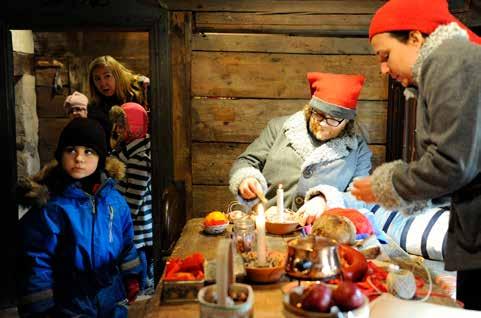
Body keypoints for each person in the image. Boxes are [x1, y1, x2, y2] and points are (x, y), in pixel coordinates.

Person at [350, 0, 481, 310]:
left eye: (385, 56)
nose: (383, 69)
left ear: (415, 38)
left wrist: (387, 185)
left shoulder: (451, 59)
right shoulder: (449, 62)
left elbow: (452, 163)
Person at [17, 118, 142, 317]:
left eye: (89, 151)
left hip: (110, 296)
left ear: (101, 157)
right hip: (68, 302)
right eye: (71, 150)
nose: (79, 158)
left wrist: (131, 276)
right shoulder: (51, 208)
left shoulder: (114, 202)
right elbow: (36, 259)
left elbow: (126, 242)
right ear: (60, 155)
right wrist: (40, 306)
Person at [229, 72, 372, 212]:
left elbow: (361, 198)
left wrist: (326, 199)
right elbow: (246, 161)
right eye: (319, 114)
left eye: (333, 119)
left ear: (347, 122)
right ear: (310, 109)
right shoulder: (279, 128)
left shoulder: (358, 150)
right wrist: (245, 178)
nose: (323, 124)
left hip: (320, 230)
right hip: (268, 223)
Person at [109, 102, 153, 294]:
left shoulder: (139, 157)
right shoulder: (126, 150)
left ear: (134, 127)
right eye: (116, 125)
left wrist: (118, 217)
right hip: (129, 223)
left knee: (139, 260)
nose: (117, 129)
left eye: (122, 125)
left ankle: (143, 292)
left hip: (137, 225)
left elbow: (135, 197)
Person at [87, 55, 149, 144]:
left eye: (107, 76)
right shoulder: (94, 108)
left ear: (116, 75)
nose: (103, 83)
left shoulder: (138, 91)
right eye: (97, 79)